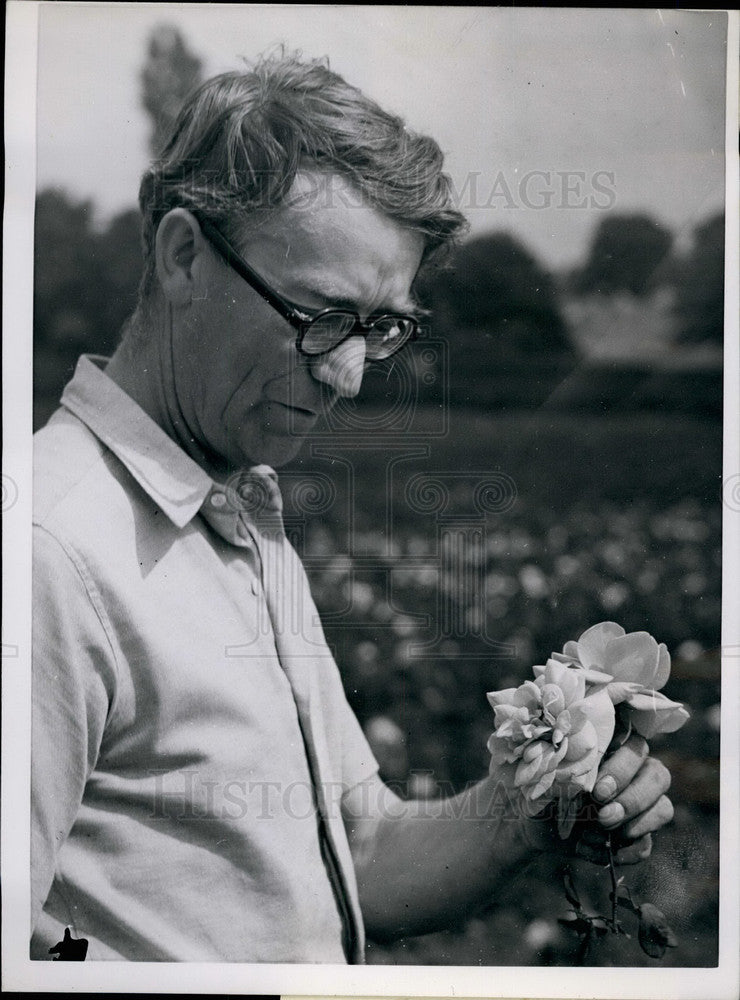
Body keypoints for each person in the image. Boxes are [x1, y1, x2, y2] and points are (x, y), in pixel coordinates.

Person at [32, 52, 673, 963]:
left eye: (381, 328)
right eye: (320, 316)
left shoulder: (240, 512)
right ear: (183, 257)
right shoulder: (47, 548)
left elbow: (357, 848)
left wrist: (534, 810)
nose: (346, 376)